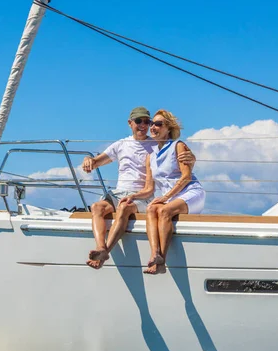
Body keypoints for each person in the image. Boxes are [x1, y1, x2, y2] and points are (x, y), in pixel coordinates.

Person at [82, 107, 195, 269]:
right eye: (138, 121)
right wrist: (88, 159)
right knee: (97, 207)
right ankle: (101, 247)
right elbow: (96, 162)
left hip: (143, 195)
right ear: (130, 123)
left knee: (124, 207)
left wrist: (192, 157)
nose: (143, 125)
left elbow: (176, 152)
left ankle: (105, 252)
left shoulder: (155, 144)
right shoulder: (121, 144)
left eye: (147, 122)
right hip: (119, 192)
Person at [120, 109, 205, 275]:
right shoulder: (150, 156)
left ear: (168, 128)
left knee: (164, 210)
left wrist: (165, 197)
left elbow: (186, 176)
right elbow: (149, 189)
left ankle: (162, 261)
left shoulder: (178, 146)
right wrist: (133, 196)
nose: (152, 127)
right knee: (152, 208)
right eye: (152, 123)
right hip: (172, 197)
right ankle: (155, 255)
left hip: (190, 192)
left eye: (158, 124)